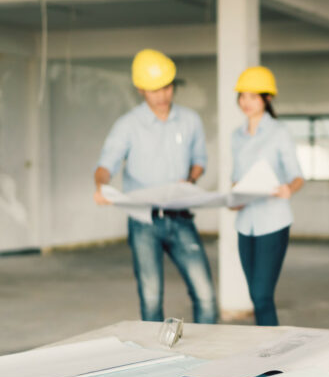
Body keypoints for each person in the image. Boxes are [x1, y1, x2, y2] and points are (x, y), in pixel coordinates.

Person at [92, 49, 218, 324]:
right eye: (154, 90)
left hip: (181, 219)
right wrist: (102, 187)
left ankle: (208, 361)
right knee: (150, 298)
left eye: (167, 87)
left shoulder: (190, 120)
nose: (162, 96)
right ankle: (154, 360)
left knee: (206, 296)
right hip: (143, 223)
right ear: (140, 90)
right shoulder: (127, 125)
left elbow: (199, 161)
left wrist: (191, 179)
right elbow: (105, 166)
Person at [231, 66, 304, 326]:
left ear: (267, 98)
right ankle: (265, 351)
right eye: (242, 96)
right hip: (244, 223)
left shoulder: (279, 133)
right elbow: (235, 179)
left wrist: (288, 189)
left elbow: (298, 176)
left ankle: (274, 359)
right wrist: (234, 196)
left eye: (252, 96)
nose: (246, 102)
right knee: (256, 296)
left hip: (273, 222)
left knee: (262, 295)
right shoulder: (236, 137)